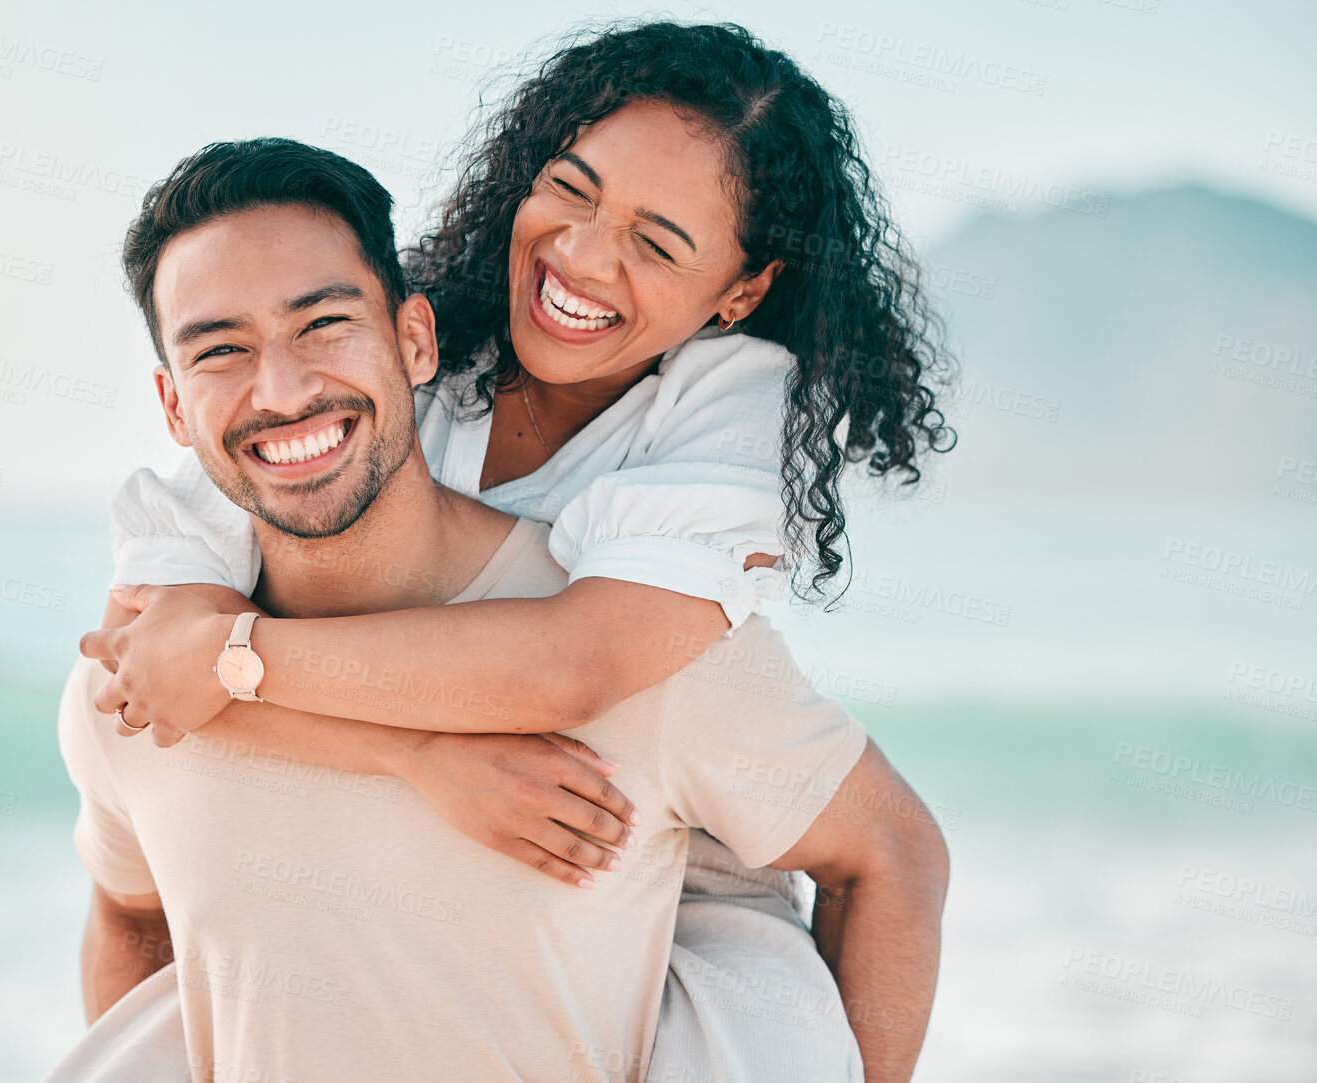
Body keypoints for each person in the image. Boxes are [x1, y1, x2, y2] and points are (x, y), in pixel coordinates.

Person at [80, 20, 952, 1083]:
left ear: (737, 294)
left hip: (690, 880)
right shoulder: (414, 362)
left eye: (657, 241)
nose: (582, 256)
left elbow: (570, 668)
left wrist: (226, 661)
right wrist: (409, 755)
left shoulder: (719, 413)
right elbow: (174, 599)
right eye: (571, 191)